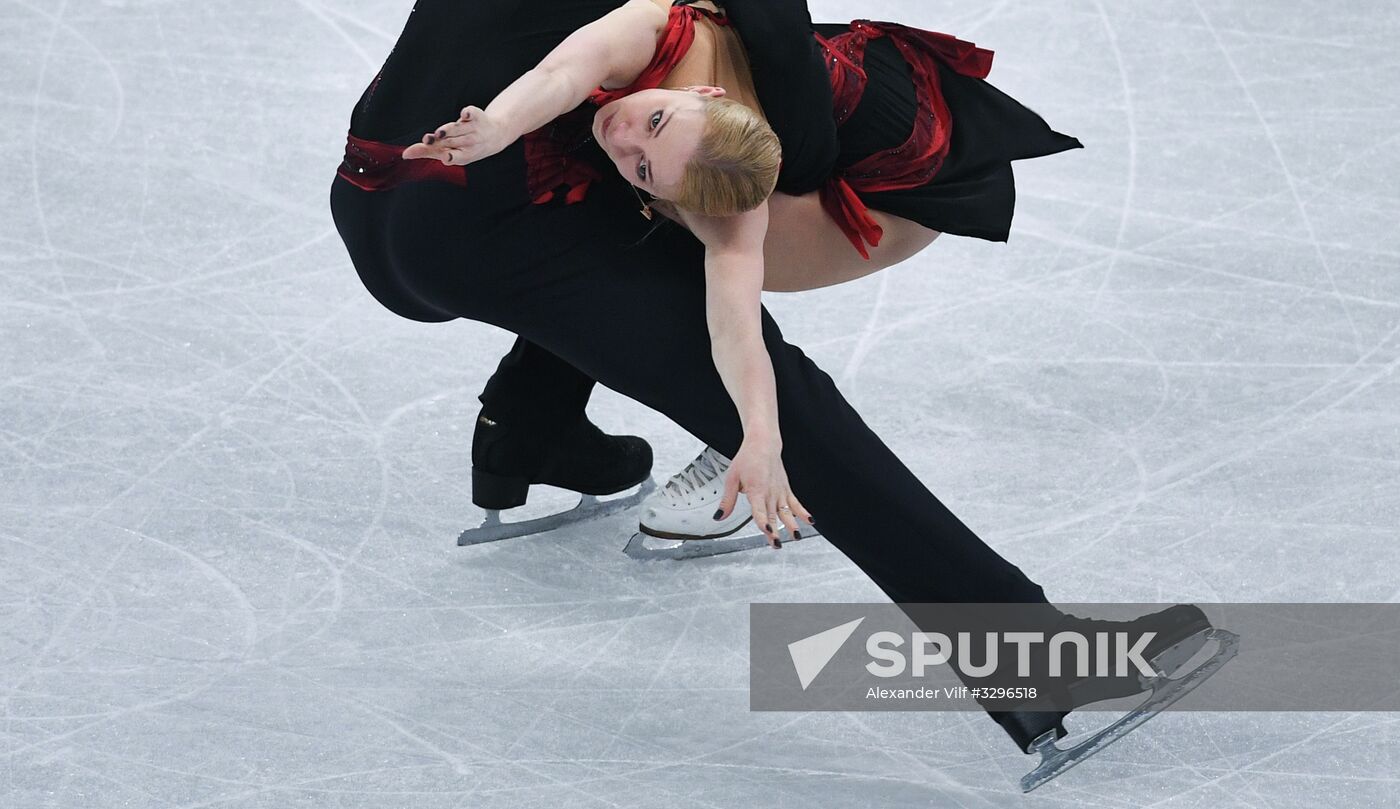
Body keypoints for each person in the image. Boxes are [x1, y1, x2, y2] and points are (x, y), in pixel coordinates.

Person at [329, 0, 1232, 788]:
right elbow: (790, 128)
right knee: (760, 352)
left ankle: (531, 430)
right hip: (480, 228)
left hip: (373, 200)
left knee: (630, 174)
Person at [394, 0, 1082, 547]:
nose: (623, 133)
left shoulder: (739, 189)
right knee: (611, 217)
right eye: (652, 126)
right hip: (813, 110)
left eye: (647, 151)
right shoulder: (654, 31)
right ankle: (530, 428)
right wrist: (498, 129)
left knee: (673, 256)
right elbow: (561, 75)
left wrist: (758, 435)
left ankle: (726, 459)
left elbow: (734, 324)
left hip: (902, 185)